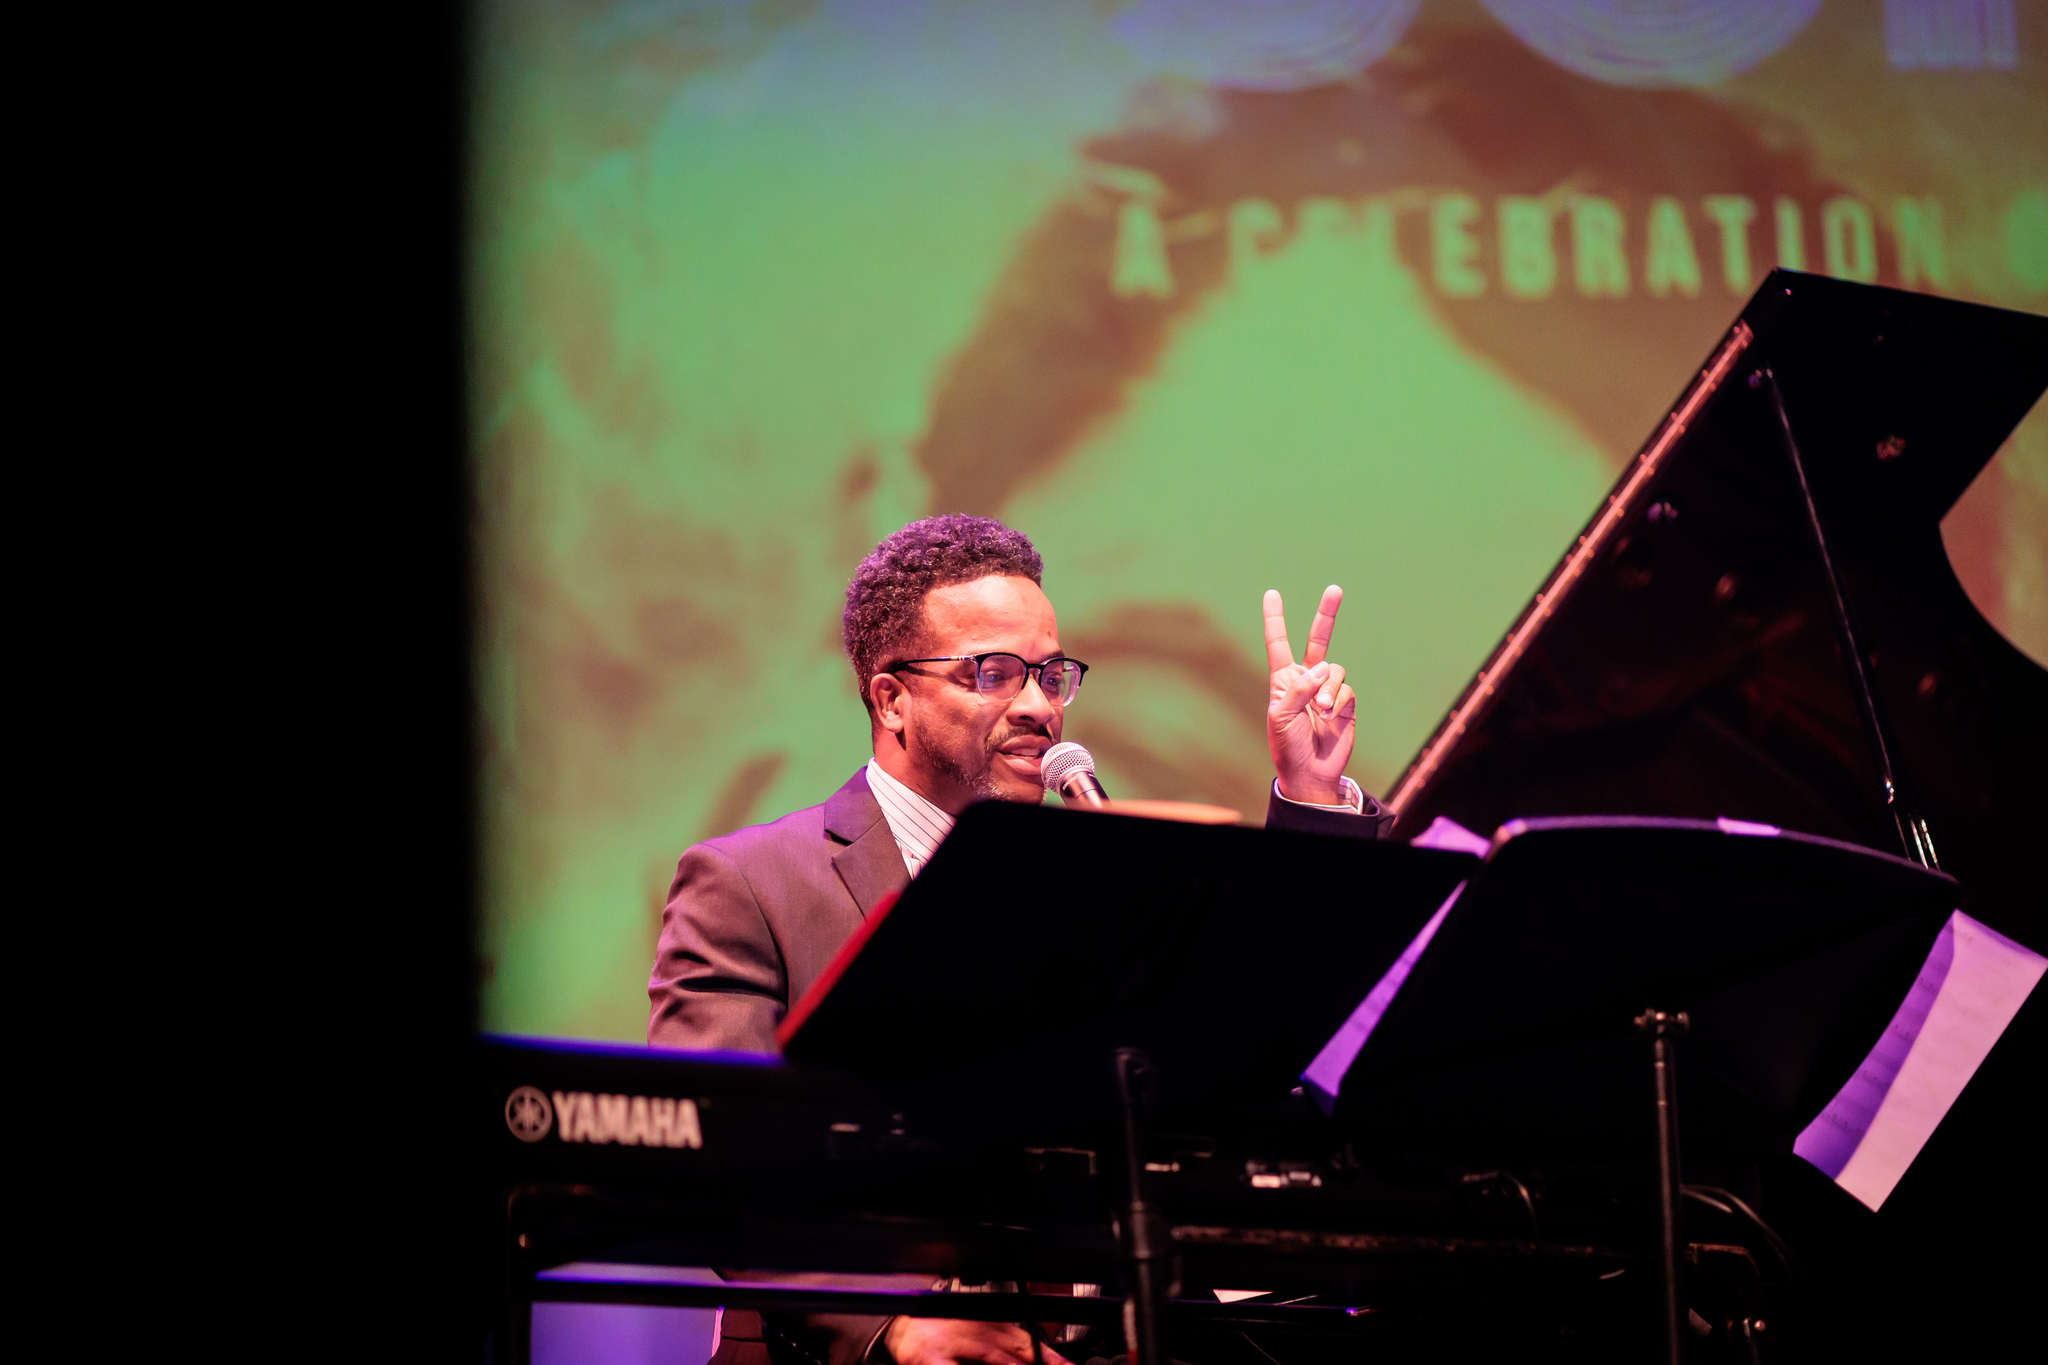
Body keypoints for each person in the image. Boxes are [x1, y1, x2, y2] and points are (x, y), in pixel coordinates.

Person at [647, 514, 1393, 1365]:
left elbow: (1255, 1040)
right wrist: (893, 1325)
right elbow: (714, 1161)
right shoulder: (749, 883)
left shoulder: (1098, 877)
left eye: (1052, 674)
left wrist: (1309, 793)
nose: (1041, 706)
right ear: (891, 700)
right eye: (994, 673)